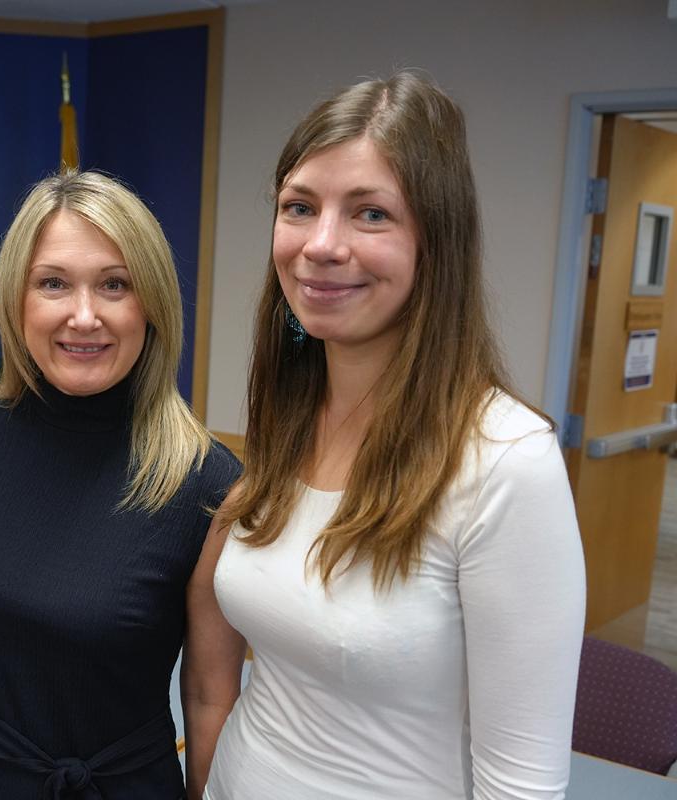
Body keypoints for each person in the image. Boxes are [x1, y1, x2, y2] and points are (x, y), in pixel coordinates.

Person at [188, 71, 587, 799]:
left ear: (436, 242)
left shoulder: (505, 462)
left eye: (370, 214)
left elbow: (522, 786)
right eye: (299, 207)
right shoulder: (289, 421)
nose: (321, 244)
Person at [0, 171, 241, 799]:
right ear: (18, 301)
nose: (83, 316)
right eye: (53, 283)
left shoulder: (210, 481)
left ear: (153, 305)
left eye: (115, 285)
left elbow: (208, 695)